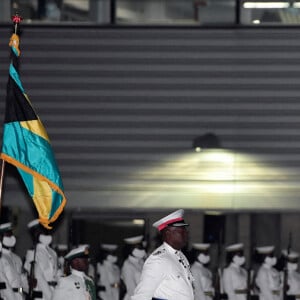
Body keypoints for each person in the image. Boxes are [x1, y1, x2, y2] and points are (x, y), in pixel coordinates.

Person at [131, 209, 194, 300]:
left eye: (185, 231)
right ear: (168, 234)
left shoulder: (181, 256)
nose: (186, 234)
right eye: (181, 232)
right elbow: (141, 296)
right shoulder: (159, 260)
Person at [0, 222, 24, 300]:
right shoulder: (1, 258)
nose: (11, 237)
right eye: (8, 235)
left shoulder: (17, 258)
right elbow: (4, 285)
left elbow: (21, 281)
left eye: (11, 234)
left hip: (19, 296)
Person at [121, 235, 147, 300]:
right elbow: (131, 289)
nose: (142, 250)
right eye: (139, 248)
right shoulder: (127, 265)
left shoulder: (141, 262)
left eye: (142, 247)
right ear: (131, 249)